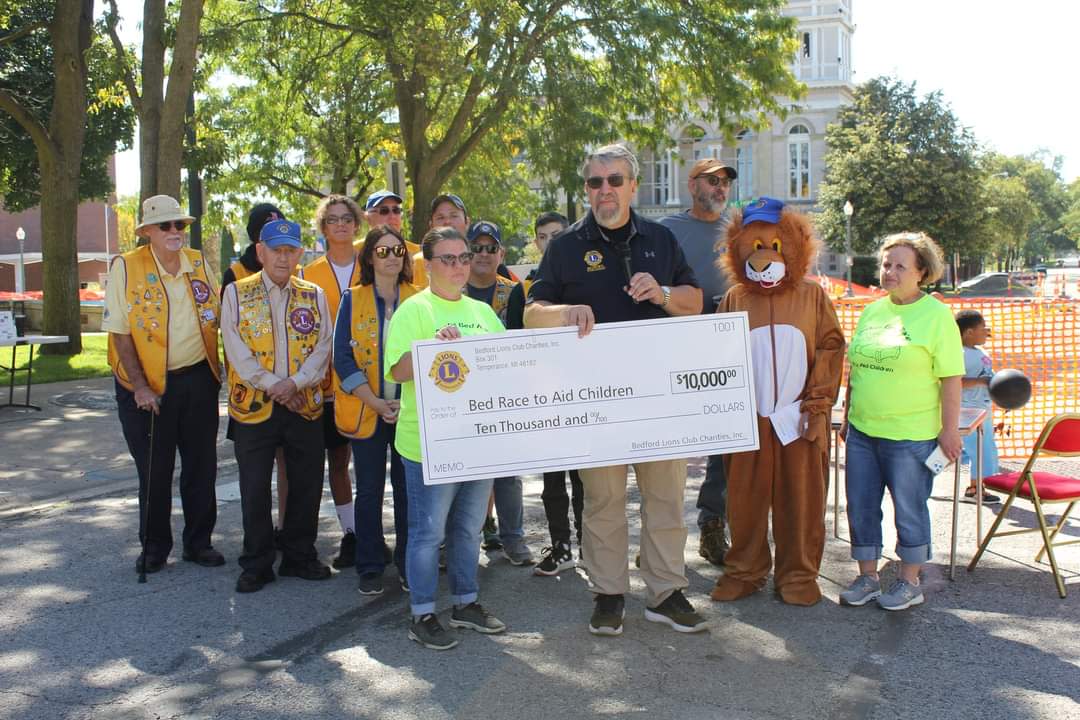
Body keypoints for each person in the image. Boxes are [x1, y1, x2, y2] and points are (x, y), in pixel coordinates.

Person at [525, 144, 707, 636]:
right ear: (586, 189)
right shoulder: (565, 246)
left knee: (665, 496)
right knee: (602, 499)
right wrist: (564, 313)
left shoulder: (661, 239)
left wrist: (664, 294)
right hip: (597, 401)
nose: (603, 190)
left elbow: (695, 302)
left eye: (613, 180)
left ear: (633, 186)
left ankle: (666, 591)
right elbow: (530, 312)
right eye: (594, 182)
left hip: (658, 396)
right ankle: (608, 593)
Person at [386, 226, 507, 650]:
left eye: (463, 257)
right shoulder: (413, 311)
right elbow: (395, 372)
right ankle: (422, 612)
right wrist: (431, 349)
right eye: (447, 259)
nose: (458, 266)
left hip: (477, 441)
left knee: (469, 529)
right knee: (427, 534)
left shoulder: (483, 313)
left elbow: (504, 367)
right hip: (427, 445)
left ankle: (465, 603)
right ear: (428, 265)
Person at [839, 231, 963, 611]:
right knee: (859, 506)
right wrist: (847, 416)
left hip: (910, 436)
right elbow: (856, 369)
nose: (889, 272)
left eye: (899, 266)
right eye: (886, 264)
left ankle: (910, 581)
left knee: (909, 507)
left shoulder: (937, 316)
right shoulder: (873, 310)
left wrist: (949, 430)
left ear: (922, 272)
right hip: (862, 430)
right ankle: (867, 577)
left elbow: (951, 377)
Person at [104, 194, 224, 574]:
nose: (175, 232)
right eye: (166, 225)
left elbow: (219, 313)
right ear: (148, 232)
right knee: (155, 470)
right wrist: (139, 386)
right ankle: (154, 546)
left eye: (180, 225)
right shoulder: (127, 266)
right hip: (147, 385)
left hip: (197, 378)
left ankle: (199, 542)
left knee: (202, 466)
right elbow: (120, 334)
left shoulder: (199, 263)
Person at [222, 220, 334, 593]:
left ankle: (300, 555)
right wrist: (274, 385)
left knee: (306, 483)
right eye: (276, 250)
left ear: (300, 253)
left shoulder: (314, 294)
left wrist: (296, 382)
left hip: (303, 402)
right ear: (261, 252)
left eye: (290, 250)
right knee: (254, 487)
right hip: (255, 405)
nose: (283, 257)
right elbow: (235, 349)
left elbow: (324, 345)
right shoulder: (237, 293)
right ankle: (256, 562)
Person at [659, 158, 738, 567]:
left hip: (727, 346)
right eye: (712, 180)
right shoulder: (668, 230)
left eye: (725, 181)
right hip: (680, 344)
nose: (720, 188)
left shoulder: (739, 230)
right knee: (670, 441)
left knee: (725, 440)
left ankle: (712, 524)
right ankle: (662, 535)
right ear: (692, 185)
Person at [334, 225, 417, 595]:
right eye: (382, 252)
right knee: (369, 489)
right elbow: (342, 358)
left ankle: (407, 563)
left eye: (397, 251)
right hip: (367, 410)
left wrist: (400, 402)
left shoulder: (420, 298)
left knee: (407, 490)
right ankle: (369, 565)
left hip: (409, 413)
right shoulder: (352, 299)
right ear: (369, 257)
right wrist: (375, 401)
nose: (391, 258)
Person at [297, 195, 364, 569]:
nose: (340, 225)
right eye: (332, 220)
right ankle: (351, 532)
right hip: (326, 386)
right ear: (323, 228)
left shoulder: (370, 265)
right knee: (337, 461)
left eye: (346, 219)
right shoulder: (308, 274)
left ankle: (376, 533)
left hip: (368, 380)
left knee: (374, 463)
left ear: (356, 225)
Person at [463, 220, 533, 565]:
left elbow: (521, 342)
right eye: (477, 247)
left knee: (508, 474)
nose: (484, 254)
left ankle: (513, 539)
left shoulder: (513, 291)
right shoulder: (452, 291)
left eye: (491, 248)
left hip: (504, 396)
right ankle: (462, 541)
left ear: (501, 253)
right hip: (461, 396)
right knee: (465, 475)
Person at [221, 203, 291, 537]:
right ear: (256, 242)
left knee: (289, 467)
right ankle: (257, 544)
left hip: (293, 392)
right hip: (251, 391)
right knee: (255, 475)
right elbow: (229, 337)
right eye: (268, 229)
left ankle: (286, 528)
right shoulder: (235, 275)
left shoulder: (292, 270)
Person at [524, 211, 584, 577]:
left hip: (581, 393)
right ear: (536, 243)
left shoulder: (581, 282)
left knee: (584, 480)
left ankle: (589, 546)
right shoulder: (525, 288)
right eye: (544, 236)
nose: (551, 242)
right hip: (544, 396)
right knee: (552, 481)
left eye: (558, 235)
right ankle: (560, 546)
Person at [956, 309, 1000, 503]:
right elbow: (953, 381)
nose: (986, 331)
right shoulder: (959, 353)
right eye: (982, 328)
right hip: (967, 409)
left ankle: (976, 485)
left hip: (983, 408)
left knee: (983, 447)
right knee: (978, 449)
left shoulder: (981, 351)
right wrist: (980, 382)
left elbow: (987, 375)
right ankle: (975, 489)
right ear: (968, 333)